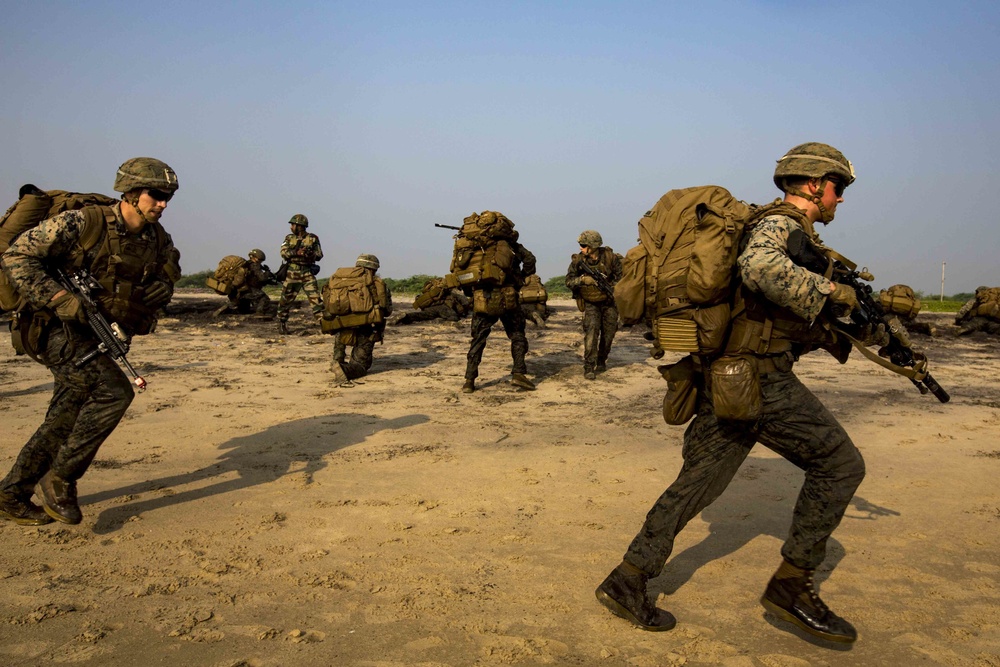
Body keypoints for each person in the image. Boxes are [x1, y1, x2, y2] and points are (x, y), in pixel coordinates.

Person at [595, 143, 867, 644]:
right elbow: (761, 270)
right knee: (841, 464)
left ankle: (627, 578)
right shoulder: (780, 226)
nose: (840, 199)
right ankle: (791, 586)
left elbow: (769, 310)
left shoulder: (778, 230)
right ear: (813, 185)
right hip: (757, 378)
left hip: (729, 377)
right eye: (838, 187)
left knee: (700, 480)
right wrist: (833, 294)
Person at [0, 157, 181, 526]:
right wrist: (60, 299)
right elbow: (17, 256)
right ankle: (61, 479)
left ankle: (11, 494)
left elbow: (165, 277)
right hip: (49, 326)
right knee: (115, 392)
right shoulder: (84, 222)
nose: (162, 203)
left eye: (168, 197)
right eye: (156, 195)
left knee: (65, 415)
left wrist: (162, 289)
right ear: (130, 193)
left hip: (93, 331)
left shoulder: (157, 240)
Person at [462, 234, 537, 393]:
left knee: (478, 339)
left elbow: (462, 273)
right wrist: (520, 279)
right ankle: (518, 373)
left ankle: (469, 380)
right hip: (508, 296)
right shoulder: (511, 245)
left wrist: (471, 292)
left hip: (483, 299)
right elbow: (530, 260)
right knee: (517, 335)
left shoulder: (473, 246)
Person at [565, 231, 623, 379]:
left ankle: (602, 360)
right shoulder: (578, 261)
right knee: (591, 334)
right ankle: (589, 366)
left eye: (583, 245)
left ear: (593, 246)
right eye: (580, 245)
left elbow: (622, 279)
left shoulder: (611, 258)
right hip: (591, 303)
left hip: (609, 302)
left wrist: (612, 287)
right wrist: (583, 281)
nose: (581, 248)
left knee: (608, 335)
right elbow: (569, 281)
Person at [330, 254, 392, 387]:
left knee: (340, 338)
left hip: (342, 324)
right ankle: (345, 370)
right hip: (367, 327)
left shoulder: (339, 280)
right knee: (361, 365)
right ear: (374, 268)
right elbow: (387, 310)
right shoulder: (377, 283)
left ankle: (336, 361)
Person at [276, 214, 323, 334]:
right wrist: (297, 252)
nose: (291, 227)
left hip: (307, 271)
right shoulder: (289, 238)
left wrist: (311, 254)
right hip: (293, 271)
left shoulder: (313, 238)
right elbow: (284, 253)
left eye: (293, 224)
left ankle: (323, 324)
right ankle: (282, 323)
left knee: (316, 300)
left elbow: (320, 255)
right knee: (285, 299)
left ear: (300, 226)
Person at [213, 248, 276, 316]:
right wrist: (267, 273)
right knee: (264, 298)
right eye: (259, 260)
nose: (260, 262)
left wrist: (269, 281)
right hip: (247, 290)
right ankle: (259, 314)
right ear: (254, 257)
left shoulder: (246, 265)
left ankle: (224, 309)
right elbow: (262, 278)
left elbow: (255, 280)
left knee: (244, 310)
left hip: (237, 291)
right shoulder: (254, 266)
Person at [391, 277, 471, 325]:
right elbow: (465, 302)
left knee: (422, 315)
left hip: (429, 306)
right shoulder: (454, 290)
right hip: (443, 308)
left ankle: (407, 317)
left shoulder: (435, 289)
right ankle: (440, 320)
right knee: (454, 317)